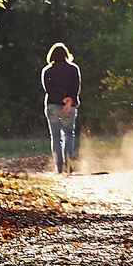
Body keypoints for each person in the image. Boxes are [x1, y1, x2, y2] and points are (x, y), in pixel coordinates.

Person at [41, 42, 81, 174]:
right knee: (69, 134)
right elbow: (76, 87)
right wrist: (68, 101)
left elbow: (49, 89)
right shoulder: (74, 69)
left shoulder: (47, 71)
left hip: (52, 106)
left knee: (56, 136)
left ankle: (58, 167)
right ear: (66, 54)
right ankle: (68, 164)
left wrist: (60, 99)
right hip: (69, 107)